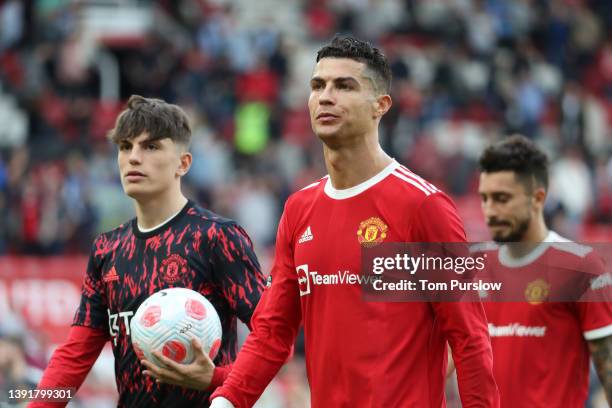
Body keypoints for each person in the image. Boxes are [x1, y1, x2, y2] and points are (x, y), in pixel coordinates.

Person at [206, 35, 499, 407]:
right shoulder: (299, 209)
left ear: (381, 105)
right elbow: (272, 332)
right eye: (318, 85)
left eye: (344, 86)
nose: (326, 96)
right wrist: (226, 401)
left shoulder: (423, 207)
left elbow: (470, 338)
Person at [30, 95, 266, 407]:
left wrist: (218, 379)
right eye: (126, 147)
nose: (133, 157)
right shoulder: (107, 249)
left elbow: (273, 341)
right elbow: (74, 356)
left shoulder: (216, 237)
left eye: (150, 146)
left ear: (183, 163)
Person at [477, 135, 612, 407]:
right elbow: (449, 359)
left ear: (538, 198)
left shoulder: (582, 268)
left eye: (502, 199)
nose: (490, 211)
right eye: (485, 198)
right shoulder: (476, 265)